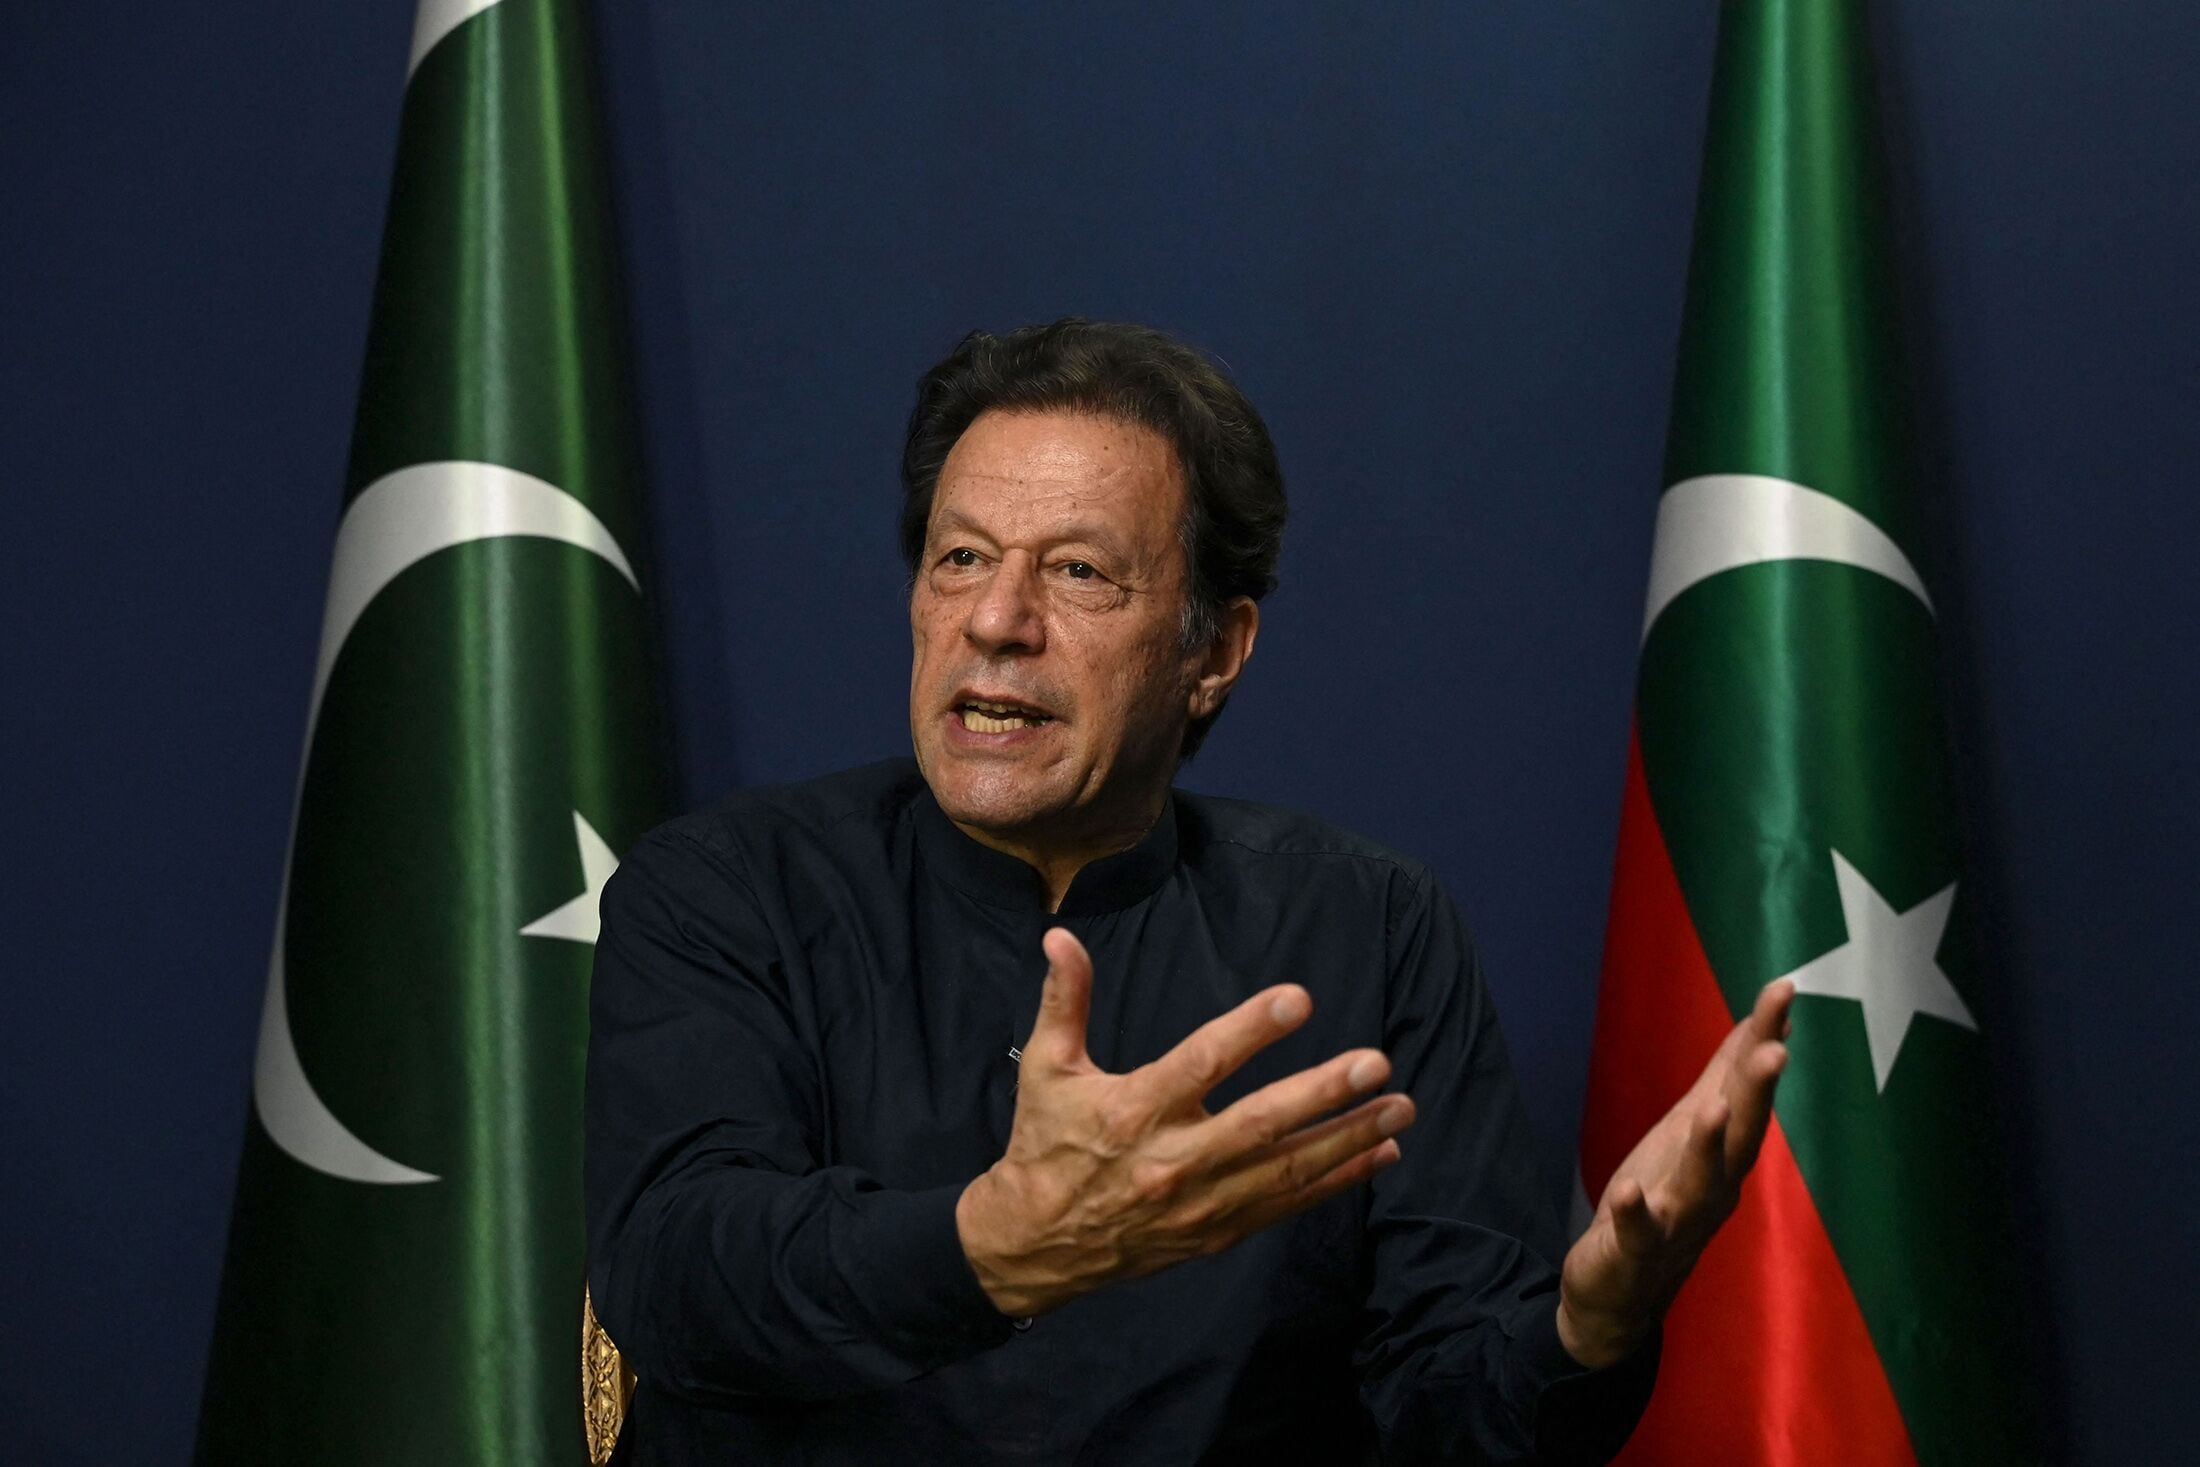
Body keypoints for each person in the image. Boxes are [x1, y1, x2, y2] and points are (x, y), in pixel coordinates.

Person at [584, 319, 1794, 1464]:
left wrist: (1585, 1331)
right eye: (960, 559)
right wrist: (997, 1247)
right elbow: (676, 1276)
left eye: (1078, 571)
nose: (995, 621)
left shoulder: (1368, 928)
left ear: (1212, 652)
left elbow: (1446, 1409)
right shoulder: (724, 890)